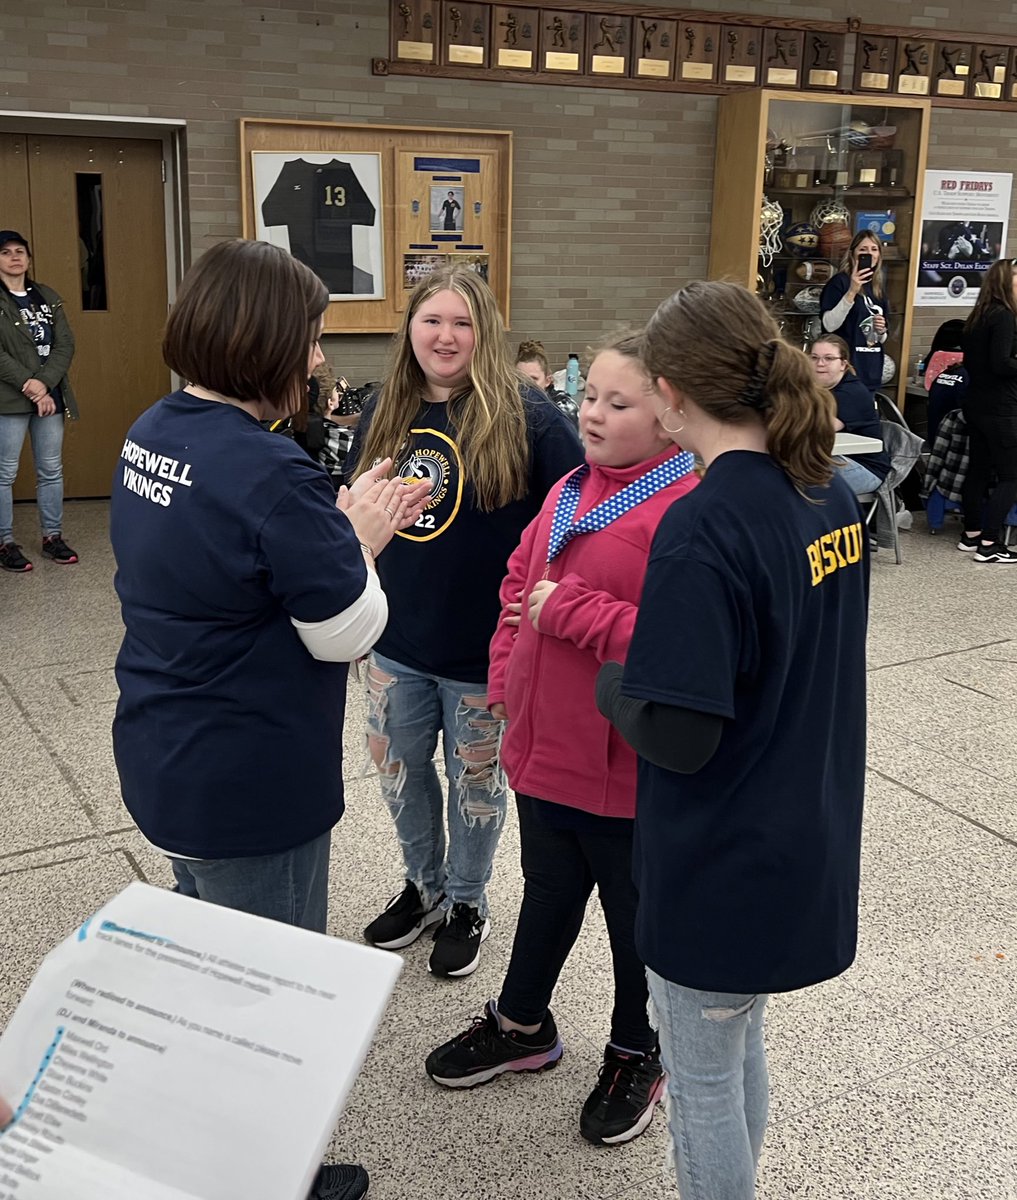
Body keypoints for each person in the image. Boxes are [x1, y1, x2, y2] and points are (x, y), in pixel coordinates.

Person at [597, 281, 869, 1200]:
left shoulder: (704, 523)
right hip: (804, 830)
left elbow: (678, 732)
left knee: (702, 1082)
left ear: (669, 394)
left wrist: (612, 687)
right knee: (734, 1042)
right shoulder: (823, 492)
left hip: (721, 855)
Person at [424, 332, 698, 1145]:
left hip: (620, 764)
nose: (593, 415)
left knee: (630, 916)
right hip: (544, 749)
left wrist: (569, 612)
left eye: (618, 403)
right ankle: (521, 1027)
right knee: (546, 893)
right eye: (588, 398)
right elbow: (518, 585)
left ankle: (636, 1050)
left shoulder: (681, 507)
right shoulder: (573, 487)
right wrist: (507, 681)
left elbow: (683, 641)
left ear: (670, 412)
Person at [111, 238, 428, 933]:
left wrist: (328, 529)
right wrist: (362, 542)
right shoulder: (273, 472)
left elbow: (235, 565)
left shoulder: (151, 430)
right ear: (265, 342)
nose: (317, 361)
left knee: (203, 953)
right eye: (310, 342)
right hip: (247, 785)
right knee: (262, 997)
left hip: (164, 753)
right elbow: (345, 633)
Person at [351, 265, 583, 979]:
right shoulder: (384, 408)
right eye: (431, 321)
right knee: (399, 773)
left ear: (483, 333)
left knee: (476, 785)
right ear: (410, 329)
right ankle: (422, 887)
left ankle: (466, 901)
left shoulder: (529, 416)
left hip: (483, 653)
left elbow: (576, 515)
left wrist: (548, 596)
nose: (445, 336)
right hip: (393, 641)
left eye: (460, 323)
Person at [0, 230, 78, 572]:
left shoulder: (47, 296)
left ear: (29, 259)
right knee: (4, 473)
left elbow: (65, 345)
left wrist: (44, 385)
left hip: (49, 399)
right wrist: (29, 385)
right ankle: (4, 543)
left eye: (20, 251)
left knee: (51, 470)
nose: (15, 257)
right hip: (9, 399)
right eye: (5, 252)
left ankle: (52, 537)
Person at [957, 257, 1017, 563]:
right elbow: (1001, 363)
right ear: (1006, 282)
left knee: (979, 470)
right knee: (1011, 476)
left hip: (976, 404)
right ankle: (991, 543)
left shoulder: (978, 315)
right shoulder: (1004, 316)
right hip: (1001, 408)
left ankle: (972, 533)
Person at [809, 334, 890, 497]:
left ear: (843, 364)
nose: (820, 364)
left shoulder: (851, 393)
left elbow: (818, 429)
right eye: (814, 357)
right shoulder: (815, 388)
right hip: (831, 456)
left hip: (865, 467)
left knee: (798, 481)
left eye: (829, 358)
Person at [819, 230, 888, 394]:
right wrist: (852, 291)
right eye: (863, 250)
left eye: (874, 249)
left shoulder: (877, 287)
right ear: (853, 254)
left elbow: (882, 337)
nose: (869, 254)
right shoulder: (839, 282)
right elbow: (829, 325)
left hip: (870, 366)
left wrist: (881, 329)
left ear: (879, 255)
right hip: (844, 370)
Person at [515, 338, 580, 429]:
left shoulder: (564, 408)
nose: (526, 386)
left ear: (548, 381)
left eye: (533, 379)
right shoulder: (512, 407)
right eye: (520, 379)